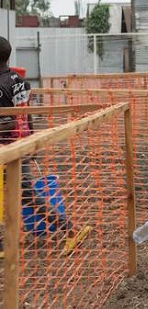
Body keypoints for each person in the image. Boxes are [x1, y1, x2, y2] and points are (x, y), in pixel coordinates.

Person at [0, 36, 90, 258]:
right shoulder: (20, 80)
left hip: (7, 148)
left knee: (27, 195)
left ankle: (70, 229)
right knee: (25, 195)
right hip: (22, 144)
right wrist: (32, 143)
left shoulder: (2, 84)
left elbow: (10, 120)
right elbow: (25, 116)